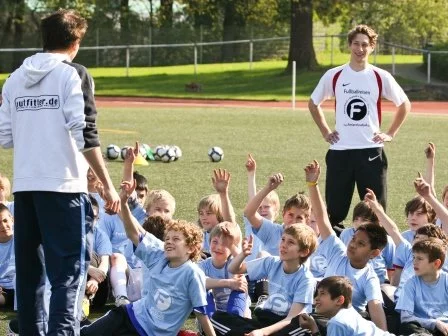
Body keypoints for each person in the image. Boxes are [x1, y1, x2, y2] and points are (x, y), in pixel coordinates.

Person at [0, 9, 120, 335]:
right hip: (65, 190)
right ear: (76, 41)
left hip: (25, 191)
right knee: (68, 275)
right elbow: (86, 134)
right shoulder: (74, 75)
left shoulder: (14, 78)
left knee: (30, 277)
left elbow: (5, 136)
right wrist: (108, 188)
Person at [308, 24, 411, 233]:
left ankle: (376, 255)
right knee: (334, 212)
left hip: (371, 152)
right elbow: (313, 103)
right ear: (349, 45)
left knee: (375, 210)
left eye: (365, 44)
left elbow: (404, 104)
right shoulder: (334, 75)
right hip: (340, 152)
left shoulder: (380, 76)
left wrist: (390, 133)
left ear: (372, 47)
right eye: (356, 43)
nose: (360, 48)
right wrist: (326, 131)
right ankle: (332, 255)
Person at [80, 179, 216, 336]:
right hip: (129, 316)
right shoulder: (159, 253)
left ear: (191, 248)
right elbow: (134, 233)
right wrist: (122, 203)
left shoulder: (192, 273)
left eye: (176, 239)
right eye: (168, 238)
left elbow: (201, 313)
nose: (169, 242)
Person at [305, 160, 388, 331]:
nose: (352, 245)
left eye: (361, 244)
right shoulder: (338, 252)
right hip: (320, 316)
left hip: (346, 326)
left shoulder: (369, 277)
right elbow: (322, 218)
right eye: (353, 239)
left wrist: (383, 333)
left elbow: (376, 309)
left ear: (374, 253)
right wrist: (313, 184)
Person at [211, 224, 317, 336]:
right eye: (283, 239)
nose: (283, 245)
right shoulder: (272, 262)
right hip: (265, 320)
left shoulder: (306, 279)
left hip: (287, 324)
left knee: (298, 330)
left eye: (290, 242)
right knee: (217, 318)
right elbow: (234, 269)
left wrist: (262, 333)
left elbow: (291, 317)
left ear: (304, 252)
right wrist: (243, 254)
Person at [299, 276, 394, 336]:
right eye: (317, 294)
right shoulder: (350, 312)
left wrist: (314, 329)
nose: (316, 298)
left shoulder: (337, 322)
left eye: (322, 294)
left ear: (340, 300)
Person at [395, 238, 448, 335]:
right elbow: (405, 318)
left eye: (419, 258)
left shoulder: (446, 281)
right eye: (414, 257)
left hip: (445, 328)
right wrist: (434, 323)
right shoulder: (411, 284)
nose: (414, 262)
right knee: (408, 327)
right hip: (423, 329)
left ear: (436, 263)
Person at [339, 201, 395, 284]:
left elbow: (391, 268)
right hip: (350, 282)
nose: (359, 223)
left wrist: (391, 286)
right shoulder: (346, 234)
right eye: (356, 219)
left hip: (378, 283)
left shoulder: (388, 241)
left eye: (364, 220)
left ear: (378, 222)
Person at [198, 169, 236, 256]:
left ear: (220, 214)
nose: (204, 217)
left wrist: (223, 194)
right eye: (201, 213)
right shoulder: (200, 236)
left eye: (209, 213)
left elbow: (230, 221)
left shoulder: (227, 234)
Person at [0, 204, 15, 309]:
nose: (3, 226)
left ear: (12, 219)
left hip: (21, 287)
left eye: (5, 221)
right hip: (2, 290)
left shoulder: (23, 239)